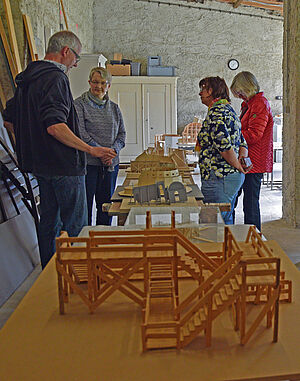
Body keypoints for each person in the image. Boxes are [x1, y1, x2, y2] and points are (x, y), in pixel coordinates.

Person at [2, 31, 116, 269]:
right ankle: (79, 279)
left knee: (50, 223)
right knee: (77, 225)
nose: (76, 63)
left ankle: (52, 275)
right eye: (76, 57)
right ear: (65, 51)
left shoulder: (27, 78)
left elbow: (9, 120)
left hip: (40, 166)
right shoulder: (55, 78)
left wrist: (32, 143)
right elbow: (55, 126)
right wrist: (90, 150)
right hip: (64, 166)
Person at [75, 67, 126, 225]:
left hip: (110, 164)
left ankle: (103, 240)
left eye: (103, 83)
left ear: (109, 85)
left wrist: (112, 151)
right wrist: (100, 152)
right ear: (89, 83)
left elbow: (122, 135)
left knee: (106, 206)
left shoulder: (114, 109)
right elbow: (81, 133)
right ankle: (87, 240)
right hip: (88, 165)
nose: (99, 86)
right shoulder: (79, 105)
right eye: (95, 82)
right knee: (86, 206)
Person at [197, 76, 249, 225]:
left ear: (212, 91)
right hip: (230, 177)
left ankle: (219, 248)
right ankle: (226, 247)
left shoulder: (216, 112)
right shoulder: (229, 110)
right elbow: (242, 142)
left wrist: (238, 165)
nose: (200, 93)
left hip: (219, 177)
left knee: (215, 223)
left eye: (203, 89)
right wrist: (240, 163)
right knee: (226, 218)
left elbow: (224, 146)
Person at [230, 71, 273, 231]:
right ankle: (239, 235)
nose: (240, 96)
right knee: (237, 199)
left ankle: (254, 239)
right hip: (247, 159)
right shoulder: (249, 104)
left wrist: (231, 137)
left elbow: (254, 135)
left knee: (250, 203)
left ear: (247, 87)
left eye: (241, 93)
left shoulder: (260, 103)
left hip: (254, 161)